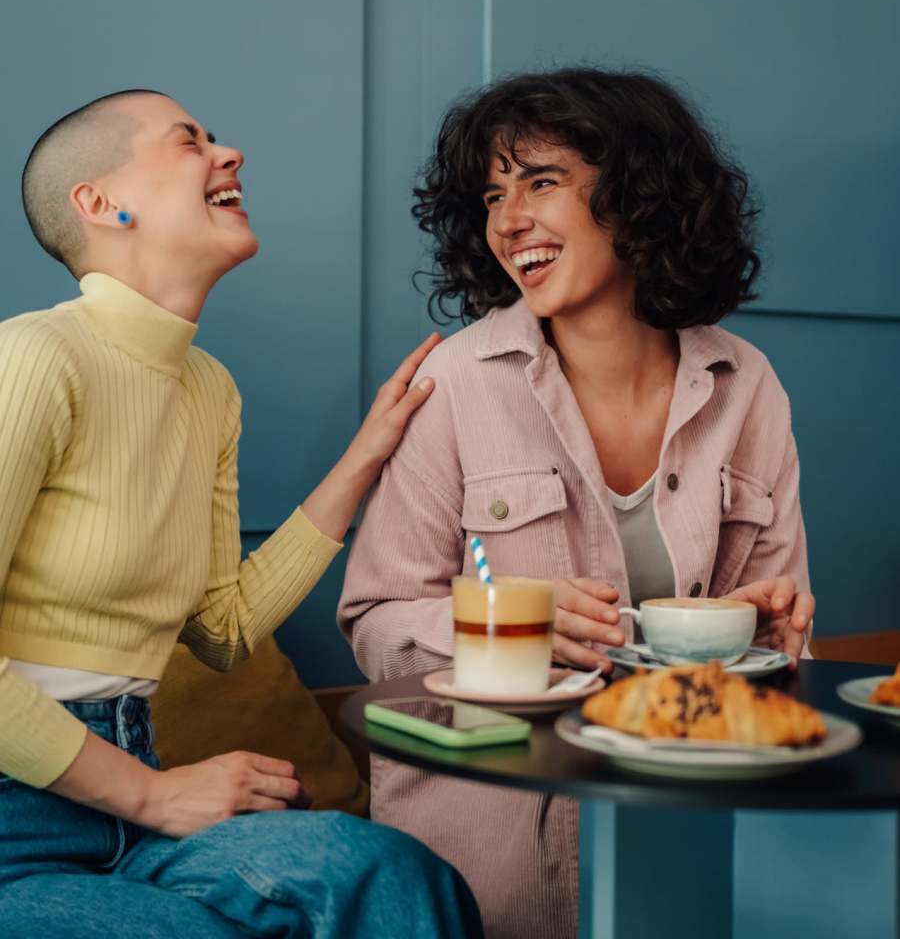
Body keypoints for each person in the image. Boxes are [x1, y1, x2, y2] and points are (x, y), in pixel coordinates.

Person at [338, 67, 816, 938]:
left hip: (685, 842)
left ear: (640, 195)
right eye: (493, 195)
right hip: (491, 859)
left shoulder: (747, 385)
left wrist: (772, 634)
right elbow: (375, 623)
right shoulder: (454, 383)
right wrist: (506, 627)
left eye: (541, 182)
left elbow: (777, 644)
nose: (507, 219)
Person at [0, 89, 484, 939]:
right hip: (21, 825)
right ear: (100, 203)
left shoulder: (208, 389)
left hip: (131, 801)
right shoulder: (34, 356)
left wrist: (365, 455)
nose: (230, 155)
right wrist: (152, 794)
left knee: (388, 873)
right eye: (189, 141)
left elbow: (221, 630)